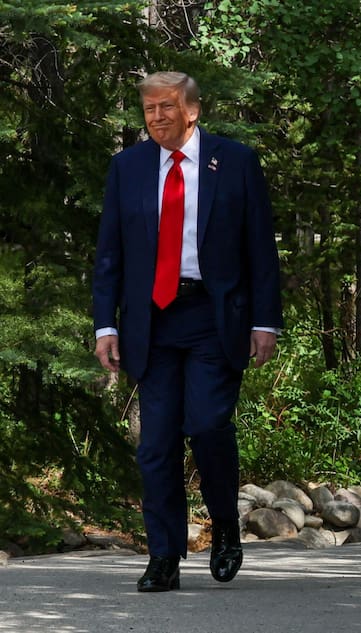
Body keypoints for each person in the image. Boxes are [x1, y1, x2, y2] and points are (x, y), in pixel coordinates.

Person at [92, 71, 283, 592]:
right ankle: (164, 556)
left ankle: (225, 525)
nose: (156, 117)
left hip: (213, 314)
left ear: (192, 110)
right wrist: (105, 324)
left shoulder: (235, 162)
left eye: (166, 107)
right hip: (151, 321)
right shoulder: (127, 168)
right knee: (156, 444)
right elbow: (109, 254)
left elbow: (261, 250)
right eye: (149, 108)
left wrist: (265, 321)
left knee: (207, 425)